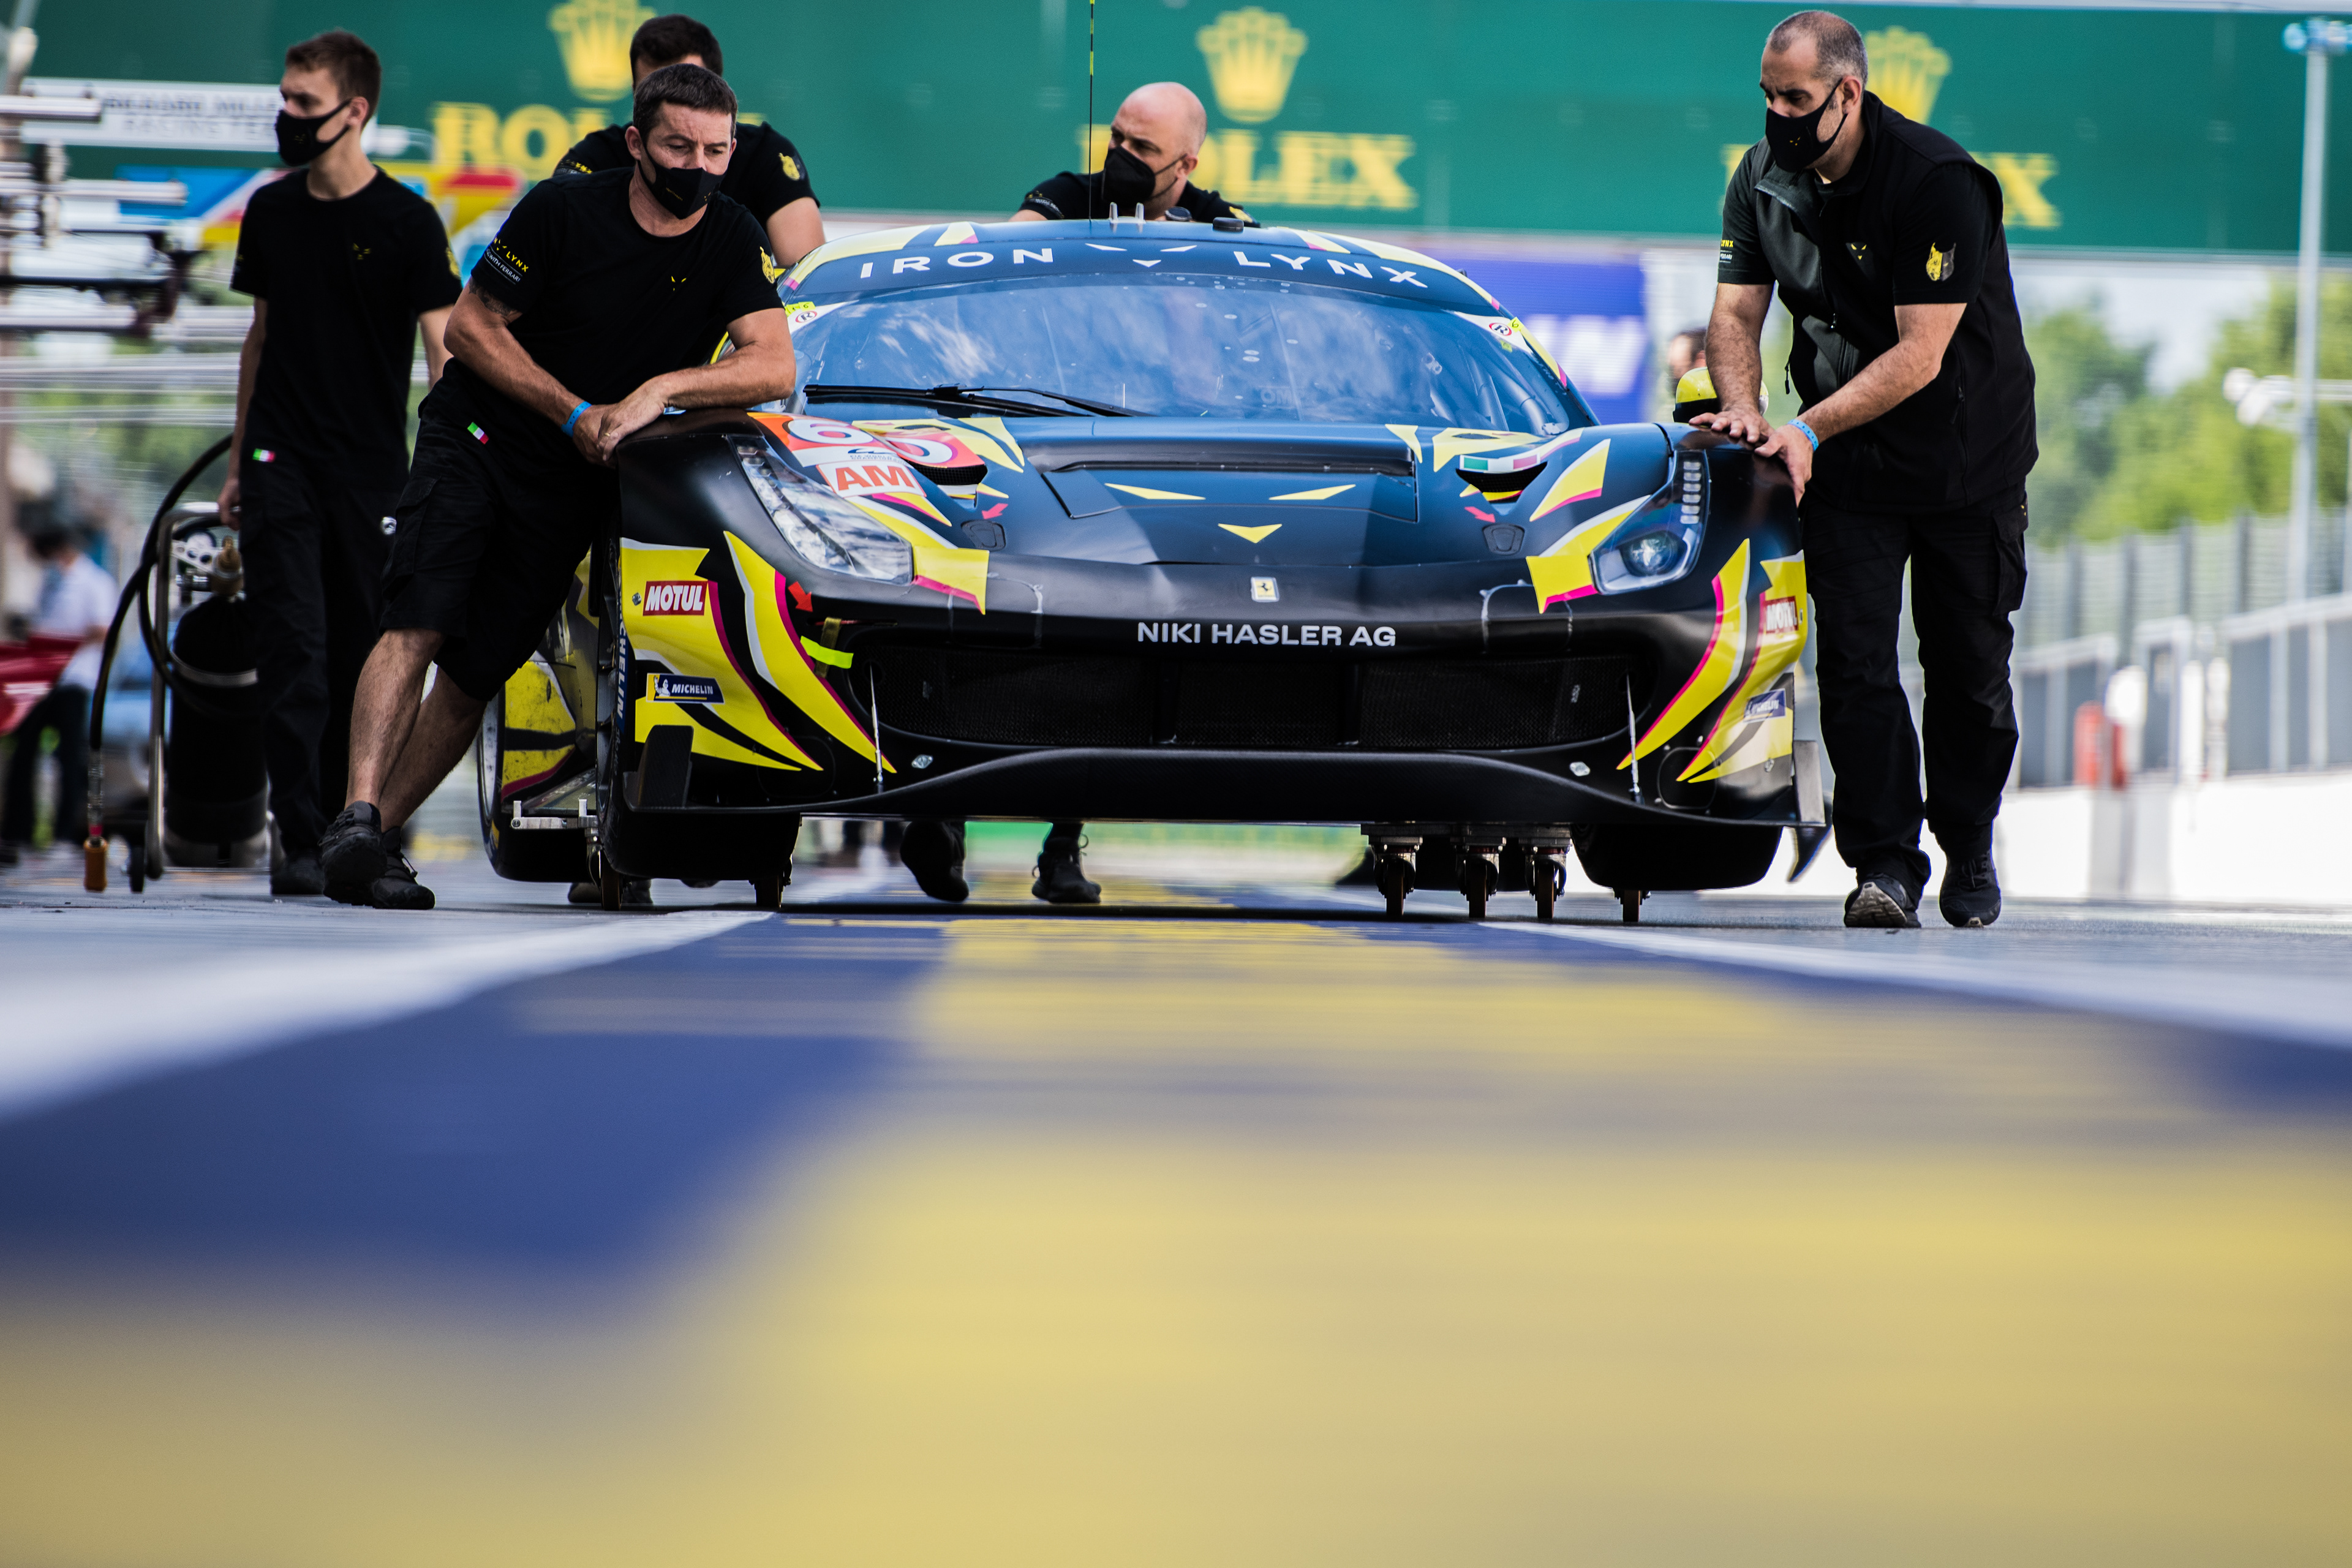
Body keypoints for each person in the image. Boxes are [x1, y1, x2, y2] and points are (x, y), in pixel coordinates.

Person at [315, 63, 795, 910]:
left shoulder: (731, 233)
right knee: (418, 619)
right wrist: (572, 409)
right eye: (680, 146)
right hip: (482, 439)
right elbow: (470, 328)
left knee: (478, 672)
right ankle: (354, 815)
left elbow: (774, 363)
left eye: (718, 150)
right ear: (638, 142)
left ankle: (371, 844)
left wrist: (659, 391)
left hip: (577, 478)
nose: (700, 166)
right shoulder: (563, 208)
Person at [1701, 10, 2035, 930]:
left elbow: (1920, 354)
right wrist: (1744, 410)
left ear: (1847, 94)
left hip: (1967, 458)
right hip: (1846, 460)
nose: (1779, 114)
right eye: (1768, 95)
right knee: (1853, 665)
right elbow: (1735, 318)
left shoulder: (1938, 182)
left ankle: (1968, 838)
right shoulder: (1761, 179)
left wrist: (1804, 429)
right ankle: (1884, 863)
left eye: (1797, 99)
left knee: (1969, 668)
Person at [224, 28, 460, 897]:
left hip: (370, 473)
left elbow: (444, 348)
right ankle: (294, 836)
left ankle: (348, 826)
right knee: (293, 649)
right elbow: (261, 336)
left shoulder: (406, 222)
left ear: (354, 112)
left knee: (364, 650)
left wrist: (445, 469)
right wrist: (240, 461)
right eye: (284, 98)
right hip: (280, 458)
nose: (286, 115)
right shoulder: (271, 211)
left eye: (304, 103)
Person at [554, 13, 824, 268]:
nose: (697, 165)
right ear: (634, 143)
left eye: (687, 87)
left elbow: (805, 278)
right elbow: (552, 243)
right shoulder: (596, 155)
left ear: (716, 87)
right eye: (652, 92)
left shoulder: (765, 154)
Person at [1, 526, 115, 865]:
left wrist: (61, 647)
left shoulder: (95, 583)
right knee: (24, 755)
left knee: (71, 759)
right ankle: (17, 832)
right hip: (42, 682)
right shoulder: (51, 583)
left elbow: (101, 629)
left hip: (74, 680)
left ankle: (67, 834)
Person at [1013, 82, 1248, 225]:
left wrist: (1194, 239)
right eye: (1117, 136)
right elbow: (1009, 245)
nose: (1121, 151)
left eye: (1143, 146)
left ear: (1184, 166)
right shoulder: (1067, 195)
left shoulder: (1217, 218)